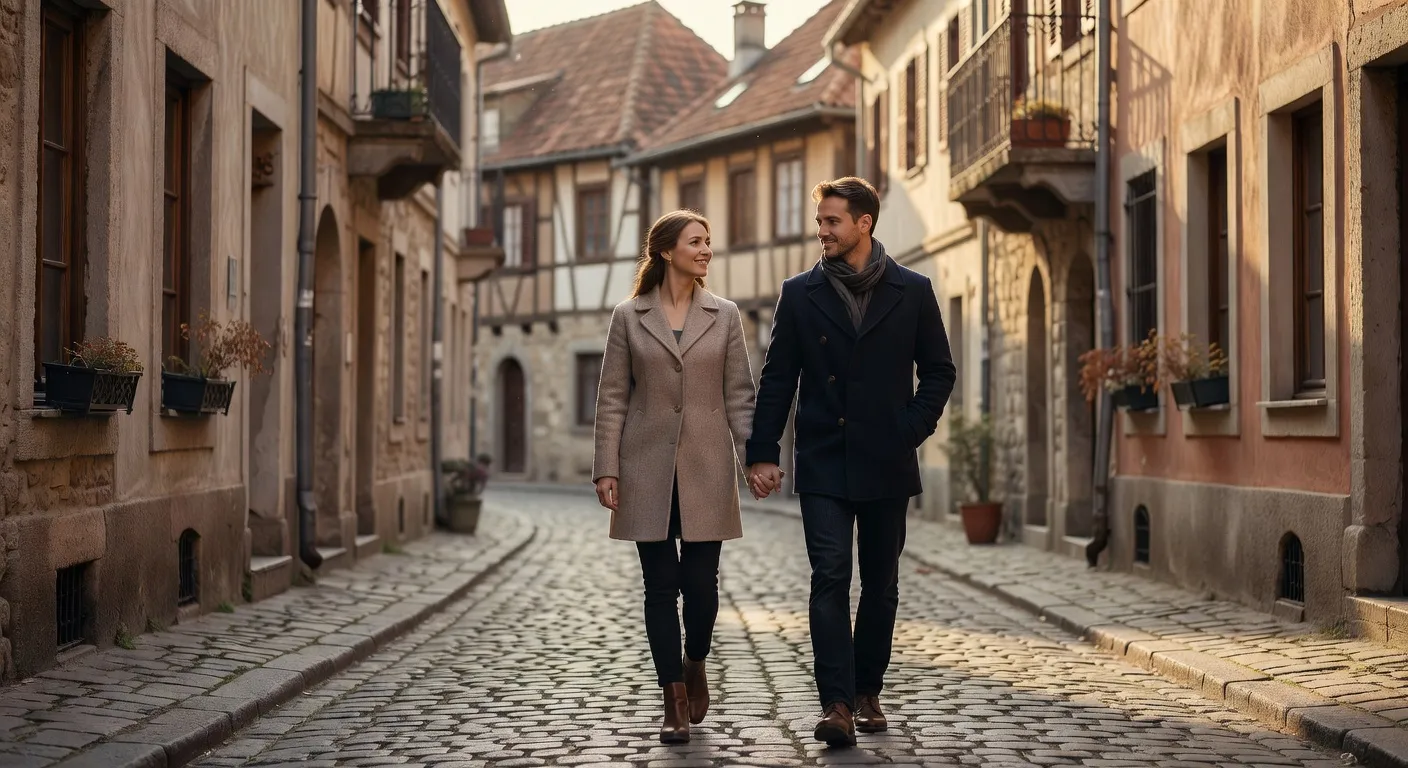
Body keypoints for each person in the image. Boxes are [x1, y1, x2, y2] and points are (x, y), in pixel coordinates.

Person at [746, 177, 956, 747]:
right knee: (830, 576)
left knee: (882, 585)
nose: (823, 232)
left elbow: (939, 371)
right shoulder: (800, 293)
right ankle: (836, 703)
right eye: (820, 222)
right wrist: (763, 451)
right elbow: (777, 379)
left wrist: (910, 429)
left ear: (864, 223)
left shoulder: (912, 291)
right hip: (822, 458)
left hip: (886, 460)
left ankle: (868, 690)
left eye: (832, 221)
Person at [592, 210, 756, 744]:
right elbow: (613, 396)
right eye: (696, 241)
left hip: (707, 468)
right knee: (660, 588)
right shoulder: (629, 315)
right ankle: (673, 700)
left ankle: (695, 660)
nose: (706, 249)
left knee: (701, 587)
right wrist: (607, 467)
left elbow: (739, 396)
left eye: (709, 241)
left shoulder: (725, 315)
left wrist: (753, 458)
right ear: (666, 251)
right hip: (646, 469)